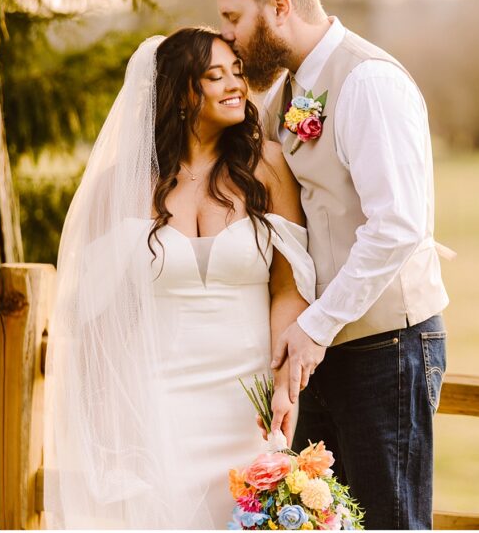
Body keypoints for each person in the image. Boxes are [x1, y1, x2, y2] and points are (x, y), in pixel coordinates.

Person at [215, 0, 450, 530]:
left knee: (389, 520)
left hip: (386, 345)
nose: (231, 38)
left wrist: (315, 328)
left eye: (234, 18)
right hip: (321, 348)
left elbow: (397, 224)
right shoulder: (286, 94)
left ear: (279, 5)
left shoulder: (368, 81)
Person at [44, 28, 317, 529]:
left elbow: (288, 287)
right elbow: (98, 312)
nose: (235, 84)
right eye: (215, 76)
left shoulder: (269, 168)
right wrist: (109, 421)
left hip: (247, 402)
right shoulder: (124, 186)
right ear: (182, 94)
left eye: (237, 72)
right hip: (158, 397)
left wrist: (284, 386)